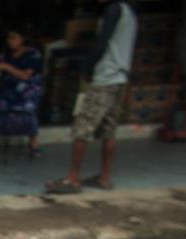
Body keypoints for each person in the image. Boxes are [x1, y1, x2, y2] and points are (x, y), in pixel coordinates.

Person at [46, 0, 138, 193]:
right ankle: (104, 177)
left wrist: (87, 68)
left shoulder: (113, 10)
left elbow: (102, 42)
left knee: (83, 127)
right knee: (109, 130)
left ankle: (73, 178)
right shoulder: (130, 12)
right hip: (120, 77)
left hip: (105, 77)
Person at [0, 27, 45, 156]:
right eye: (8, 38)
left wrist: (8, 67)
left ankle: (34, 145)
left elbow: (25, 76)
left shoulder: (32, 54)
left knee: (27, 110)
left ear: (22, 39)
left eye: (13, 38)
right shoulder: (5, 54)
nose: (10, 41)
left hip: (26, 92)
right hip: (7, 91)